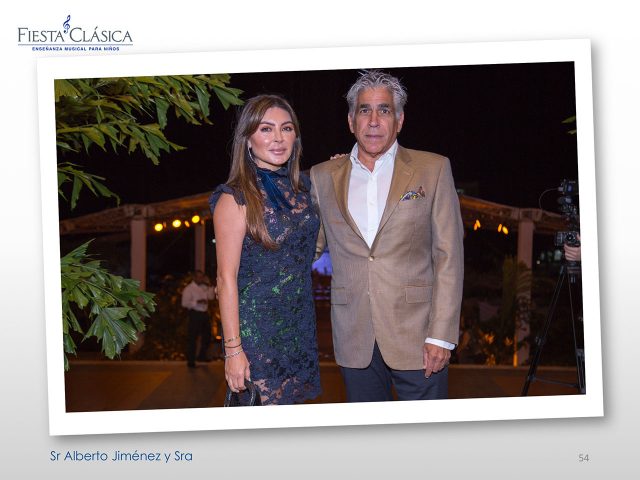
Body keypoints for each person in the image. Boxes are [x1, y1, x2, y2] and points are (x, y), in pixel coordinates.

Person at [310, 70, 464, 402]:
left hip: (419, 338)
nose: (374, 121)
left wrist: (441, 336)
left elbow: (449, 255)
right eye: (364, 110)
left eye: (384, 110)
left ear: (399, 120)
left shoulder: (433, 169)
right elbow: (309, 247)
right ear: (351, 121)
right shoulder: (323, 176)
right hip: (354, 337)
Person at [209, 94, 321, 405]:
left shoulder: (303, 190)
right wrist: (233, 350)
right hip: (256, 334)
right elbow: (225, 279)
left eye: (286, 128)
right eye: (266, 129)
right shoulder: (234, 198)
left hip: (299, 327)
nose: (278, 138)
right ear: (248, 139)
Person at [181, 270, 215, 368]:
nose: (201, 279)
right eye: (199, 277)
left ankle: (201, 356)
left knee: (207, 336)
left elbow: (211, 297)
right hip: (194, 314)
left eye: (202, 277)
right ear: (194, 277)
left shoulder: (205, 287)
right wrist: (197, 302)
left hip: (204, 314)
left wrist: (210, 286)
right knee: (192, 338)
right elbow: (184, 303)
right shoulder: (189, 289)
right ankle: (191, 361)